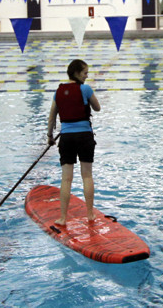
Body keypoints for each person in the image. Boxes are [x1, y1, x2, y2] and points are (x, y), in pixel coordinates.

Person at [46, 59, 101, 226]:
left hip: (67, 138)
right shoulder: (85, 88)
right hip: (84, 136)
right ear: (77, 73)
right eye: (85, 73)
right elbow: (97, 108)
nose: (87, 76)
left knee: (66, 179)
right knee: (87, 176)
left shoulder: (58, 91)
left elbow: (52, 117)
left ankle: (63, 218)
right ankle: (90, 215)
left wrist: (50, 136)